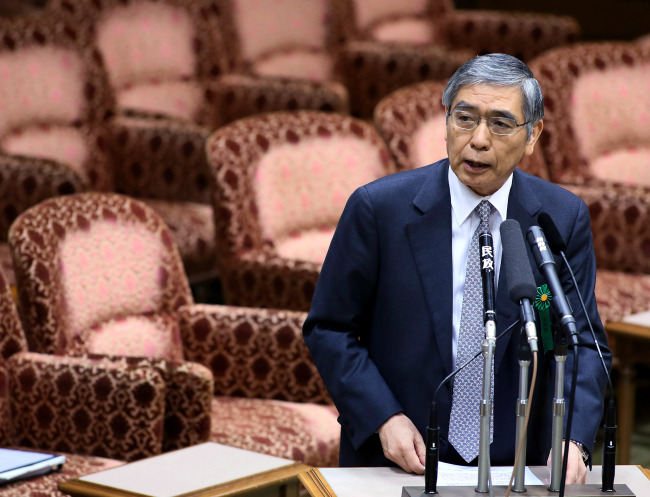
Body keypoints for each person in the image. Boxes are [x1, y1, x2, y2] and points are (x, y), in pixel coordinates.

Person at [302, 53, 610, 484]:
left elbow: (583, 343)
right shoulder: (379, 209)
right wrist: (382, 416)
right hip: (398, 457)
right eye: (465, 118)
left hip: (517, 465)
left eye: (501, 124)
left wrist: (573, 436)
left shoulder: (559, 217)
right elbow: (329, 329)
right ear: (446, 120)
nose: (478, 139)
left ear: (532, 135)